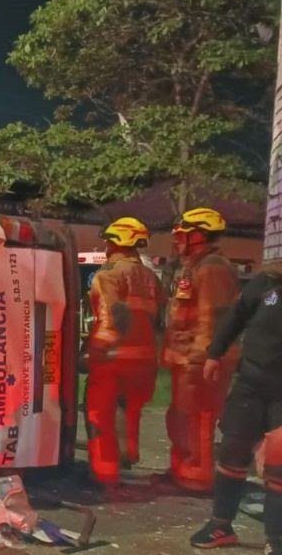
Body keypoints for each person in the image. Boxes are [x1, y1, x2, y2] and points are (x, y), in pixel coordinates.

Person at [189, 256, 282, 555]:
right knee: (232, 451)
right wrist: (215, 353)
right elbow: (236, 317)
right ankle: (221, 525)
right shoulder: (266, 282)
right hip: (251, 385)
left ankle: (277, 541)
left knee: (278, 463)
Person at [162, 208, 240, 491]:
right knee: (181, 416)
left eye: (183, 234)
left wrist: (205, 357)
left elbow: (211, 319)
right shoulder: (195, 266)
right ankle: (181, 470)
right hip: (187, 359)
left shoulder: (212, 269)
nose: (178, 240)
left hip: (200, 361)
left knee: (199, 419)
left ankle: (198, 477)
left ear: (199, 235)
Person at [82, 217, 164, 485]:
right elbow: (161, 321)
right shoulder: (152, 278)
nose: (105, 246)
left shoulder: (108, 276)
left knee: (99, 415)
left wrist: (91, 354)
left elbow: (110, 320)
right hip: (145, 362)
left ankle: (105, 474)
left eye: (108, 241)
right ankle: (128, 455)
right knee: (129, 411)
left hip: (112, 360)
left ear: (117, 243)